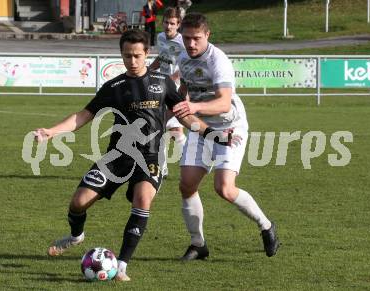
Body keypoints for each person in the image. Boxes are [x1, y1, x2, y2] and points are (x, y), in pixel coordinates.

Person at [33, 29, 235, 282]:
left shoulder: (163, 83)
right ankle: (76, 236)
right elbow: (83, 115)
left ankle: (122, 265)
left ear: (147, 54)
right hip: (117, 156)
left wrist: (214, 134)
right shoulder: (113, 87)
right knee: (78, 202)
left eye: (137, 55)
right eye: (127, 55)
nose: (132, 60)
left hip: (150, 157)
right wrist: (51, 132)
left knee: (142, 199)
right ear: (122, 55)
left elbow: (185, 116)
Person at [172, 13, 280, 260]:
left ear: (207, 35)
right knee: (187, 184)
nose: (190, 44)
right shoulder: (183, 57)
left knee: (224, 188)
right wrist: (181, 100)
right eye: (186, 38)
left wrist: (194, 108)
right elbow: (185, 89)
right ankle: (198, 244)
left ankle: (266, 226)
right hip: (201, 127)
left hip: (230, 126)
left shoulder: (218, 61)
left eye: (196, 38)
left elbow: (222, 103)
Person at [149, 7, 186, 177]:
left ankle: (193, 159)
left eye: (172, 23)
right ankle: (162, 169)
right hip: (160, 87)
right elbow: (162, 56)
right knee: (160, 129)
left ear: (178, 25)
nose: (168, 26)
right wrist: (149, 70)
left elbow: (186, 66)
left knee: (175, 131)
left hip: (176, 88)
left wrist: (173, 78)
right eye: (166, 22)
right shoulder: (160, 37)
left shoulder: (183, 41)